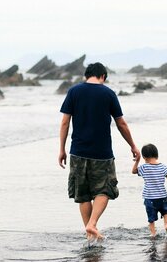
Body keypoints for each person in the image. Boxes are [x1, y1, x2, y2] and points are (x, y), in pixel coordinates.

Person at [59, 62, 140, 240]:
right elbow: (121, 124)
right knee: (104, 189)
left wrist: (62, 149)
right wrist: (132, 145)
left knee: (83, 194)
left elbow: (65, 122)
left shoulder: (74, 91)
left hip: (78, 151)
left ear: (87, 75)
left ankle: (90, 236)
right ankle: (92, 224)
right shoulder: (108, 93)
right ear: (103, 76)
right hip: (102, 153)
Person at [132, 143, 167, 237]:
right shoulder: (163, 166)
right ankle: (166, 224)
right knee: (165, 211)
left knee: (151, 217)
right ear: (157, 154)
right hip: (162, 196)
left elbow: (134, 171)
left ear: (144, 157)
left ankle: (153, 234)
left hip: (150, 197)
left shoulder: (144, 167)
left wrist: (137, 161)